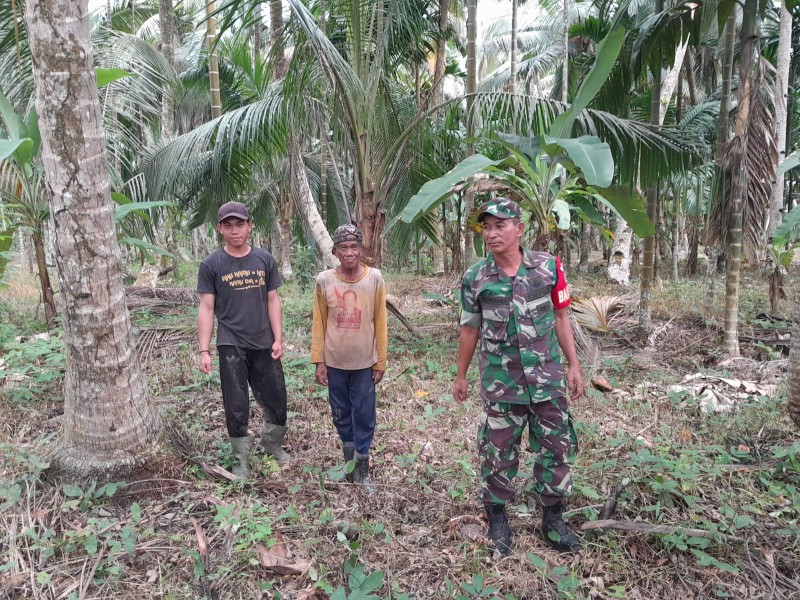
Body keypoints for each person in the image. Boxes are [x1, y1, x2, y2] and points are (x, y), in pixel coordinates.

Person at [453, 198, 585, 555]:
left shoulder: (548, 268)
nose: (492, 233)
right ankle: (498, 519)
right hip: (501, 383)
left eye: (500, 225)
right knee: (497, 453)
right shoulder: (476, 278)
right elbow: (469, 330)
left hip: (547, 380)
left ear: (519, 228)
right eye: (487, 227)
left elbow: (561, 318)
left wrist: (573, 365)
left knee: (556, 449)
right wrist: (461, 375)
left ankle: (553, 519)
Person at [197, 201, 291, 479]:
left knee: (276, 396)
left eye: (240, 224)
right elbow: (206, 308)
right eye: (228, 225)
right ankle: (241, 459)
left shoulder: (264, 259)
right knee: (236, 403)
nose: (235, 230)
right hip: (231, 343)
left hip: (264, 340)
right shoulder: (212, 264)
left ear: (250, 226)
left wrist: (278, 338)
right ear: (220, 229)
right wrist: (204, 350)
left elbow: (273, 300)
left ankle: (272, 445)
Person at [311, 225, 388, 493]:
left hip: (364, 362)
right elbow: (319, 322)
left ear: (362, 250)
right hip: (334, 362)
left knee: (364, 415)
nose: (349, 252)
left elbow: (380, 321)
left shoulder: (374, 279)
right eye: (343, 247)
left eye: (354, 247)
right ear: (334, 251)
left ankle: (363, 470)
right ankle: (350, 467)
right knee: (341, 413)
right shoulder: (325, 281)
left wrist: (381, 361)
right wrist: (318, 360)